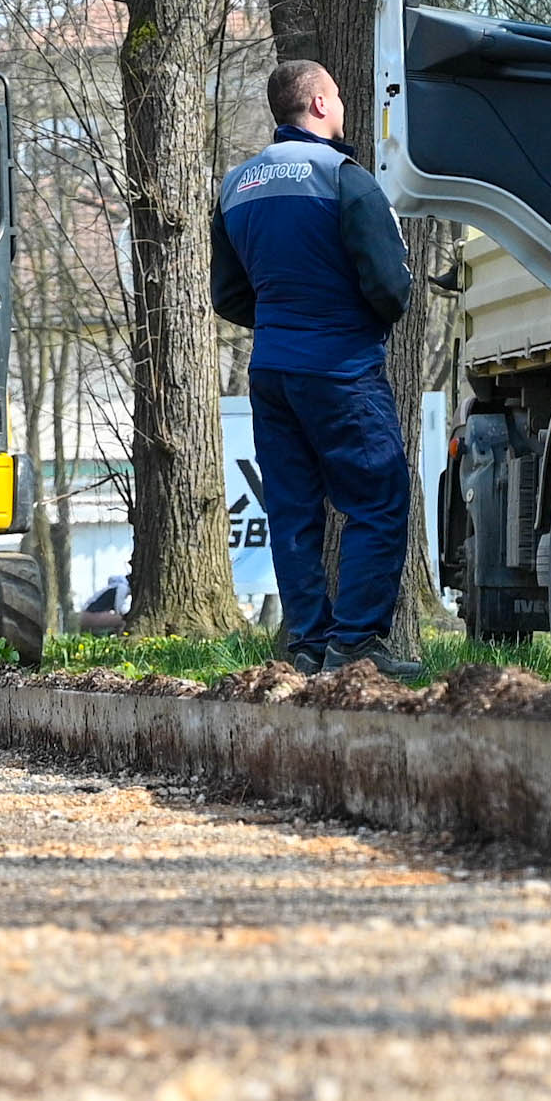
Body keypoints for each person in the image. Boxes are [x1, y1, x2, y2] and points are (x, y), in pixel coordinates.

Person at [210, 58, 416, 677]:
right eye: (338, 96)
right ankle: (355, 645)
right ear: (321, 105)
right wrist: (350, 320)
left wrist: (282, 320)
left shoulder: (236, 186)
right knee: (376, 498)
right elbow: (391, 286)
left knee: (294, 508)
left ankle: (305, 641)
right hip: (341, 367)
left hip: (272, 370)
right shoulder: (344, 178)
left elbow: (228, 296)